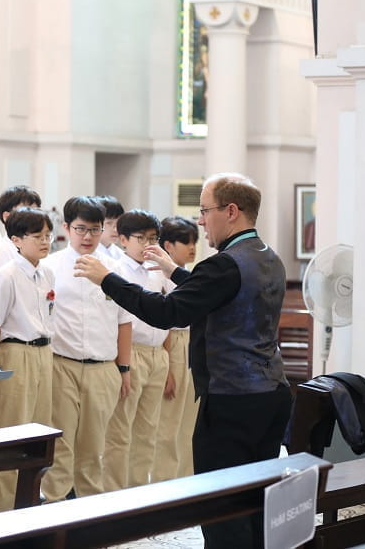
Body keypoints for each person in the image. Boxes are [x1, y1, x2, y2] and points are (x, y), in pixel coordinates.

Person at [73, 173, 290, 549]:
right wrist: (175, 272)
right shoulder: (267, 257)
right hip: (271, 393)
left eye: (205, 211)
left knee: (222, 503)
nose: (201, 220)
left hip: (232, 399)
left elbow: (167, 312)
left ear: (232, 211)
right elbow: (221, 292)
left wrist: (108, 279)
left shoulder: (223, 265)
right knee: (257, 497)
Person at [40, 197, 131, 503]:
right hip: (61, 364)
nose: (88, 236)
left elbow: (124, 323)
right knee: (61, 444)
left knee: (94, 448)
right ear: (66, 228)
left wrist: (124, 369)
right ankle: (53, 513)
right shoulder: (50, 267)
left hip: (103, 367)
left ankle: (89, 520)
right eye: (81, 229)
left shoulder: (115, 270)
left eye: (95, 229)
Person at [0, 207, 55, 513]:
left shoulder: (47, 272)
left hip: (43, 352)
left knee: (39, 432)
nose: (45, 241)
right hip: (15, 351)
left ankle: (28, 502)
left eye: (48, 235)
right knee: (12, 433)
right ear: (16, 239)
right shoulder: (7, 275)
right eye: (37, 236)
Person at [101, 210, 171, 491]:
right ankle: (115, 496)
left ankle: (140, 493)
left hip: (157, 354)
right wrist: (124, 366)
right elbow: (119, 322)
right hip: (131, 352)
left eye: (152, 238)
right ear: (123, 239)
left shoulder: (158, 268)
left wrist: (167, 360)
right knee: (120, 433)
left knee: (147, 432)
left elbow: (169, 312)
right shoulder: (114, 269)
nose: (147, 245)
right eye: (140, 238)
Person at [153, 215, 200, 481]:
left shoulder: (193, 276)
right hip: (171, 342)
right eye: (186, 241)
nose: (192, 247)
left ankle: (188, 480)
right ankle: (164, 483)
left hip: (191, 343)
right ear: (168, 246)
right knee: (168, 423)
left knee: (189, 422)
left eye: (195, 240)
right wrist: (169, 368)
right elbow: (164, 326)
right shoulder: (158, 276)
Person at [0, 186, 42, 275]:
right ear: (7, 217)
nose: (34, 217)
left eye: (36, 211)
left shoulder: (38, 247)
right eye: (27, 211)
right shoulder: (0, 253)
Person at [95, 195, 126, 264]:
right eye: (109, 223)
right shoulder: (88, 254)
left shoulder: (122, 255)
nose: (116, 229)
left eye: (118, 223)